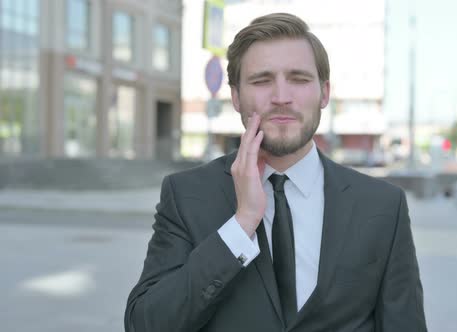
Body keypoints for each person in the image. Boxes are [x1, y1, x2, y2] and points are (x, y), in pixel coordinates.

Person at [125, 12, 427, 332]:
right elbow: (146, 324)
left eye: (299, 78)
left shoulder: (383, 205)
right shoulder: (185, 195)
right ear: (236, 97)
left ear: (324, 93)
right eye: (261, 80)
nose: (282, 97)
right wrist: (241, 225)